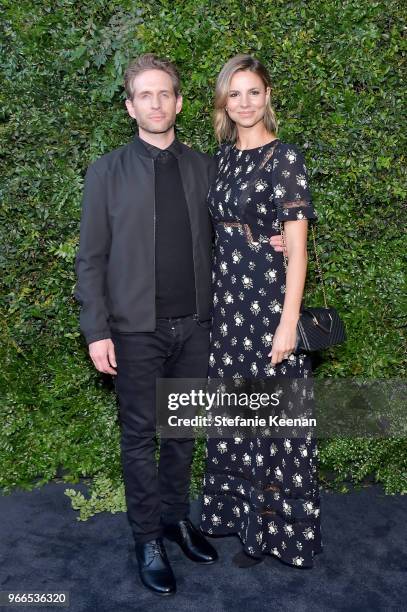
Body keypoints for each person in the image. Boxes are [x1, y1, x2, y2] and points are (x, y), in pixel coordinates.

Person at [74, 53, 220, 596]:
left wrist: (271, 241)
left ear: (178, 102)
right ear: (131, 106)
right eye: (145, 95)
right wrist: (96, 330)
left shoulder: (206, 166)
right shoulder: (107, 172)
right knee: (139, 438)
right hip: (134, 330)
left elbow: (231, 233)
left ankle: (175, 520)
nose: (156, 103)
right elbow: (89, 259)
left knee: (183, 433)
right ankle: (146, 537)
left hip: (196, 326)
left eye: (166, 94)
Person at [199, 54, 323, 569]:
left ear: (268, 96)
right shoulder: (223, 158)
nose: (245, 102)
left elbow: (297, 249)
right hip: (229, 306)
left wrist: (288, 321)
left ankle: (278, 533)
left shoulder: (284, 158)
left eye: (254, 92)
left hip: (268, 306)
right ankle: (244, 518)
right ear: (224, 101)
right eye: (235, 93)